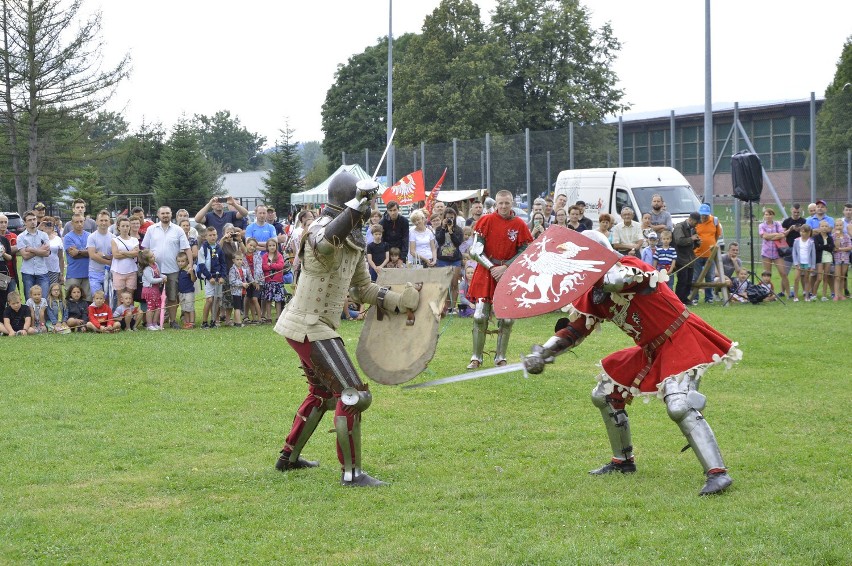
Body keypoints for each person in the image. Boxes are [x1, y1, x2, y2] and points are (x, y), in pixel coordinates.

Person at [524, 230, 740, 496]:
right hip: (651, 348)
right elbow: (575, 331)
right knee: (604, 394)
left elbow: (617, 280)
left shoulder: (629, 267)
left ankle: (718, 474)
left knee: (678, 404)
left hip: (680, 337)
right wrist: (543, 353)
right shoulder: (594, 293)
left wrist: (597, 272)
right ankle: (622, 461)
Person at [273, 172, 420, 487]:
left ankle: (289, 456)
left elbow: (362, 290)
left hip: (315, 327)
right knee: (355, 395)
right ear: (350, 203)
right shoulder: (318, 230)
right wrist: (357, 204)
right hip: (308, 325)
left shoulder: (354, 238)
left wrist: (399, 302)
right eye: (366, 203)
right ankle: (352, 474)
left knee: (323, 394)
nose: (370, 209)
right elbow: (326, 244)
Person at [467, 189, 534, 369]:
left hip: (508, 272)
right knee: (480, 315)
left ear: (512, 203)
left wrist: (505, 268)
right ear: (495, 204)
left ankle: (500, 357)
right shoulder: (486, 220)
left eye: (507, 203)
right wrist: (492, 267)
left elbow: (525, 251)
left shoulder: (520, 224)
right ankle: (476, 357)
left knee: (507, 318)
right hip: (486, 270)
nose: (503, 206)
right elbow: (475, 250)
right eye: (500, 203)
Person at [142, 206, 192, 329]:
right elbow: (145, 249)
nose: (165, 215)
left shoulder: (178, 230)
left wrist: (190, 264)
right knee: (154, 298)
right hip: (154, 270)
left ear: (171, 215)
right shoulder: (151, 229)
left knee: (172, 297)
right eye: (163, 213)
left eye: (167, 213)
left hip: (173, 270)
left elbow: (187, 248)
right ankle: (154, 322)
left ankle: (173, 320)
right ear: (158, 215)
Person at [434, 207, 464, 312]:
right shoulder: (439, 229)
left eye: (452, 217)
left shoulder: (459, 229)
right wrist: (443, 228)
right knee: (444, 284)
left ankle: (453, 306)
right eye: (448, 218)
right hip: (442, 258)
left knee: (454, 283)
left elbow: (458, 243)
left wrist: (451, 232)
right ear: (444, 218)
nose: (450, 219)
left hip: (455, 258)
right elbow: (439, 240)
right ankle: (445, 307)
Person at [692, 203, 723, 303]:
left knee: (710, 277)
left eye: (705, 215)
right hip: (697, 254)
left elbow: (717, 235)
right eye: (702, 215)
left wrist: (711, 243)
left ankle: (709, 298)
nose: (703, 217)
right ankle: (694, 298)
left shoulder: (714, 221)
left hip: (710, 254)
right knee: (696, 277)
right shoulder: (696, 221)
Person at [17, 210, 51, 299]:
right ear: (24, 222)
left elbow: (47, 253)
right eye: (29, 220)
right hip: (27, 272)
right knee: (29, 301)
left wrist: (31, 249)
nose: (33, 222)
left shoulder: (44, 235)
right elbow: (25, 256)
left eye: (34, 219)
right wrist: (40, 250)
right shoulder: (21, 237)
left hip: (42, 271)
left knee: (44, 301)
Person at [197, 227, 226, 329]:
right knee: (209, 300)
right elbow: (201, 265)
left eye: (214, 235)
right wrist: (209, 277)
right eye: (210, 235)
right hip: (209, 278)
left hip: (218, 278)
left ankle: (214, 320)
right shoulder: (203, 249)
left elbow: (223, 263)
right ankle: (204, 322)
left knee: (217, 300)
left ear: (217, 236)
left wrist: (222, 276)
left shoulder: (219, 248)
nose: (212, 237)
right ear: (206, 237)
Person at [758, 208, 790, 298]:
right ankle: (766, 293)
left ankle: (788, 294)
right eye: (766, 214)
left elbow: (782, 234)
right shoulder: (761, 225)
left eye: (769, 214)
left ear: (773, 215)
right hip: (766, 252)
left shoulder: (777, 224)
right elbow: (764, 236)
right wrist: (775, 235)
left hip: (777, 252)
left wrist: (770, 236)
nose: (768, 216)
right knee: (767, 274)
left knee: (783, 273)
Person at [673, 212, 701, 305]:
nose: (697, 224)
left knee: (689, 281)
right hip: (681, 258)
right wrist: (691, 239)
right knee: (682, 280)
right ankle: (679, 300)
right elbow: (679, 241)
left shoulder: (693, 229)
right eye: (696, 222)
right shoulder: (679, 227)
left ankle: (685, 299)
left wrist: (697, 243)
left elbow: (691, 245)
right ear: (691, 219)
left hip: (690, 258)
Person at [86, 210, 114, 297]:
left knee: (110, 298)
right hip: (95, 272)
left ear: (109, 222)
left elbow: (114, 255)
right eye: (101, 220)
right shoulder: (92, 237)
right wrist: (108, 262)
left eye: (106, 220)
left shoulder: (113, 237)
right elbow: (92, 255)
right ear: (97, 222)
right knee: (98, 298)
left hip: (110, 272)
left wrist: (104, 255)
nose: (103, 223)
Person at [63, 214, 91, 300]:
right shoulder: (68, 237)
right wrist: (87, 252)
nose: (79, 224)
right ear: (72, 223)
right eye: (77, 222)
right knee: (71, 300)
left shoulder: (90, 236)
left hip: (88, 273)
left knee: (88, 300)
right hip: (73, 274)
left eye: (81, 221)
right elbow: (73, 255)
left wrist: (78, 251)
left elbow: (92, 253)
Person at [111, 217, 140, 297]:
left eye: (127, 226)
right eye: (123, 226)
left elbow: (136, 253)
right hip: (118, 271)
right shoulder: (115, 240)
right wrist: (130, 253)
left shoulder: (134, 240)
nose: (125, 228)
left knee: (130, 297)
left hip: (131, 271)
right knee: (121, 298)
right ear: (118, 227)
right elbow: (116, 255)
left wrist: (123, 252)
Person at [139, 249, 165, 331]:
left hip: (156, 290)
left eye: (153, 255)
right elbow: (151, 280)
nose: (154, 257)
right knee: (150, 308)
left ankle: (155, 323)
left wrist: (163, 276)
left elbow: (158, 274)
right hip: (149, 290)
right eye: (151, 257)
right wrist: (161, 279)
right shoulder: (147, 269)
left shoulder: (156, 264)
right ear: (146, 260)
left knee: (158, 307)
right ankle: (149, 324)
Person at [791, 224, 816, 302]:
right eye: (801, 231)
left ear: (809, 233)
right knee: (796, 279)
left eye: (804, 232)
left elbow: (813, 254)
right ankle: (795, 296)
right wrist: (796, 263)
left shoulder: (811, 242)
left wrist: (812, 266)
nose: (802, 233)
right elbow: (794, 252)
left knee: (806, 279)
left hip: (807, 263)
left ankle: (807, 296)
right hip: (799, 263)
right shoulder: (796, 241)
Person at [812, 219, 835, 301]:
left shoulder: (830, 237)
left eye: (826, 226)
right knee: (819, 278)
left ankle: (824, 296)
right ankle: (814, 294)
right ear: (819, 227)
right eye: (822, 226)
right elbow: (817, 247)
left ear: (828, 228)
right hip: (820, 258)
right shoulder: (816, 237)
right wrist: (826, 246)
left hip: (828, 257)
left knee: (826, 277)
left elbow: (832, 247)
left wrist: (824, 246)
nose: (824, 228)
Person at [243, 238, 264, 324]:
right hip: (249, 281)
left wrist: (257, 282)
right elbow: (247, 270)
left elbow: (259, 269)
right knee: (250, 299)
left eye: (254, 246)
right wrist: (252, 281)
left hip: (258, 281)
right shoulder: (243, 256)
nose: (252, 248)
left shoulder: (257, 256)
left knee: (255, 299)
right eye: (250, 245)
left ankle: (259, 318)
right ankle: (254, 318)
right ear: (247, 244)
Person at [39, 216, 65, 287]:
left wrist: (61, 273)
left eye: (50, 224)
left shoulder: (58, 239)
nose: (48, 226)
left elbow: (61, 258)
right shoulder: (38, 238)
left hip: (54, 270)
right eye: (46, 224)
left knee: (53, 292)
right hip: (41, 270)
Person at [228, 251, 250, 327]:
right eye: (237, 259)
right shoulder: (232, 270)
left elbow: (244, 278)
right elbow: (232, 281)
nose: (239, 261)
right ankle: (238, 322)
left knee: (240, 306)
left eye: (241, 259)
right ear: (233, 260)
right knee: (237, 307)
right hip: (236, 292)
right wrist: (242, 284)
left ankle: (236, 321)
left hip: (242, 291)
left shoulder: (243, 269)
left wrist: (246, 283)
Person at [176, 251, 197, 328]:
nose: (180, 263)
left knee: (190, 308)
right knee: (184, 308)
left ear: (187, 261)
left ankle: (192, 322)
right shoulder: (180, 271)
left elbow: (193, 280)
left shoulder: (189, 270)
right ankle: (187, 322)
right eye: (178, 261)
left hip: (189, 292)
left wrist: (191, 273)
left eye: (182, 261)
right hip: (181, 293)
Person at [831, 222, 850, 301]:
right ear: (835, 227)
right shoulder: (833, 236)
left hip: (845, 258)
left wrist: (841, 249)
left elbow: (850, 247)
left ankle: (841, 294)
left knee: (842, 277)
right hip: (837, 258)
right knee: (837, 277)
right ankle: (836, 295)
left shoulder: (847, 236)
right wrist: (838, 237)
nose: (839, 227)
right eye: (837, 225)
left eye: (840, 225)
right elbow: (835, 248)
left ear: (843, 226)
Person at [0, 214, 18, 296]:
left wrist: (6, 250)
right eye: (1, 222)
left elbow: (17, 249)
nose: (3, 224)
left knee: (11, 297)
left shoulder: (13, 236)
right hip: (1, 272)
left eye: (5, 222)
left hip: (11, 272)